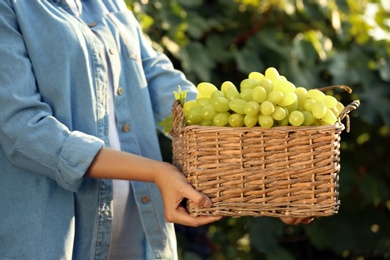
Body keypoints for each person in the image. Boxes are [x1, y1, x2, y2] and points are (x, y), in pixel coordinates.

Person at [0, 1, 311, 259]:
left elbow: (160, 82)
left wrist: (263, 173)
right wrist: (155, 172)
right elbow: (23, 129)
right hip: (52, 242)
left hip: (141, 234)